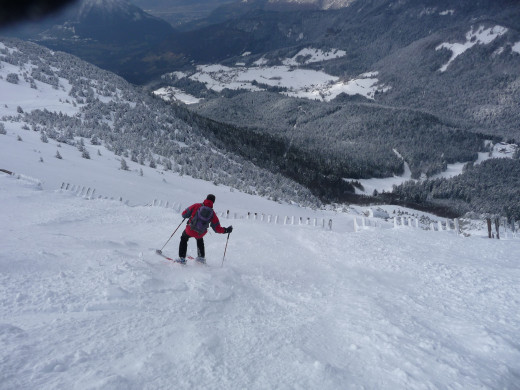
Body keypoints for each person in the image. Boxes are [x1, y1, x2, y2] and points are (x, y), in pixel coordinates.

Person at [177, 194, 232, 264]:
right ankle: (201, 258)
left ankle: (182, 258)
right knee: (200, 240)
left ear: (206, 199)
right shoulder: (212, 213)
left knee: (184, 238)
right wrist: (226, 230)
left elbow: (184, 214)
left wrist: (190, 216)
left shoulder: (197, 205)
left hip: (190, 230)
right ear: (213, 202)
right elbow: (217, 229)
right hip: (201, 232)